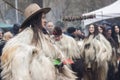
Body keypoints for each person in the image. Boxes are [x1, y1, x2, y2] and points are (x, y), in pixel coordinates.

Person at [1, 3, 76, 80]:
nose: (45, 20)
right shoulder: (25, 38)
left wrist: (59, 63)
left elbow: (53, 60)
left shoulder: (44, 38)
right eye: (43, 18)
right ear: (36, 19)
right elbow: (18, 64)